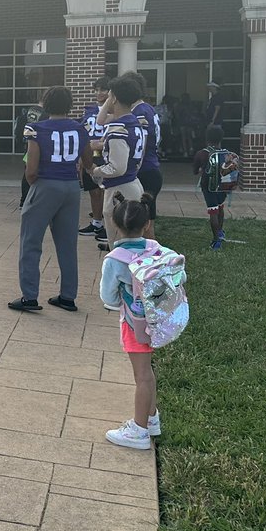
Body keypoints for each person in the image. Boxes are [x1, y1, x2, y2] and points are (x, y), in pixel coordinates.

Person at [10, 86, 91, 312]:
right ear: (70, 105)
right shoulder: (80, 128)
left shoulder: (36, 129)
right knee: (67, 244)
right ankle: (68, 296)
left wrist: (34, 184)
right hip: (71, 187)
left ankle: (29, 296)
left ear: (45, 104)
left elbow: (32, 169)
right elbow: (88, 161)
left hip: (46, 184)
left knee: (31, 241)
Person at [100, 192, 161, 450]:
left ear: (115, 225)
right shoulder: (156, 250)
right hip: (158, 320)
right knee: (148, 371)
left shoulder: (115, 260)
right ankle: (151, 418)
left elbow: (108, 297)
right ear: (146, 224)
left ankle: (138, 431)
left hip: (135, 325)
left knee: (142, 375)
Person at [91, 76, 145, 256]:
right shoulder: (134, 122)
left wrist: (95, 170)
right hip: (131, 182)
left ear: (113, 97)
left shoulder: (118, 127)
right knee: (130, 247)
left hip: (120, 189)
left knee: (121, 252)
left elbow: (116, 168)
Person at [119, 71, 163, 229]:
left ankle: (150, 251)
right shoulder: (148, 108)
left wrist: (135, 166)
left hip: (145, 169)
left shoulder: (140, 111)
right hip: (151, 166)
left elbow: (142, 142)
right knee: (143, 216)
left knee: (142, 219)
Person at [193, 125, 240, 250]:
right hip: (223, 186)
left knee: (213, 211)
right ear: (221, 138)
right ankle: (220, 231)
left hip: (208, 187)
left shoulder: (201, 153)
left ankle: (216, 240)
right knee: (220, 207)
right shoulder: (227, 154)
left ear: (207, 138)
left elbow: (195, 171)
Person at [77, 76, 110, 246]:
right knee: (93, 190)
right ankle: (96, 222)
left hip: (106, 156)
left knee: (105, 190)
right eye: (96, 90)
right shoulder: (89, 111)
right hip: (91, 154)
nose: (99, 93)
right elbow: (85, 132)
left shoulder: (113, 111)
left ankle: (108, 224)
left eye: (102, 89)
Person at [175, 93, 199, 158]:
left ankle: (185, 151)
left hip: (182, 123)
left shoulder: (179, 105)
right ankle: (191, 148)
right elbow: (195, 113)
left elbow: (177, 115)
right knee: (189, 137)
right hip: (190, 123)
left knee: (183, 138)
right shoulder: (191, 105)